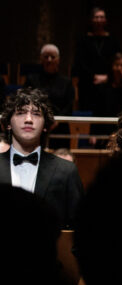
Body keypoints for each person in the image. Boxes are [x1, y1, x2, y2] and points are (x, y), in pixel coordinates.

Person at [0, 89, 83, 226]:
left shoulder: (66, 171)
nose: (28, 119)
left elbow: (81, 228)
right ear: (8, 124)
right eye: (20, 113)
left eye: (36, 114)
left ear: (45, 126)